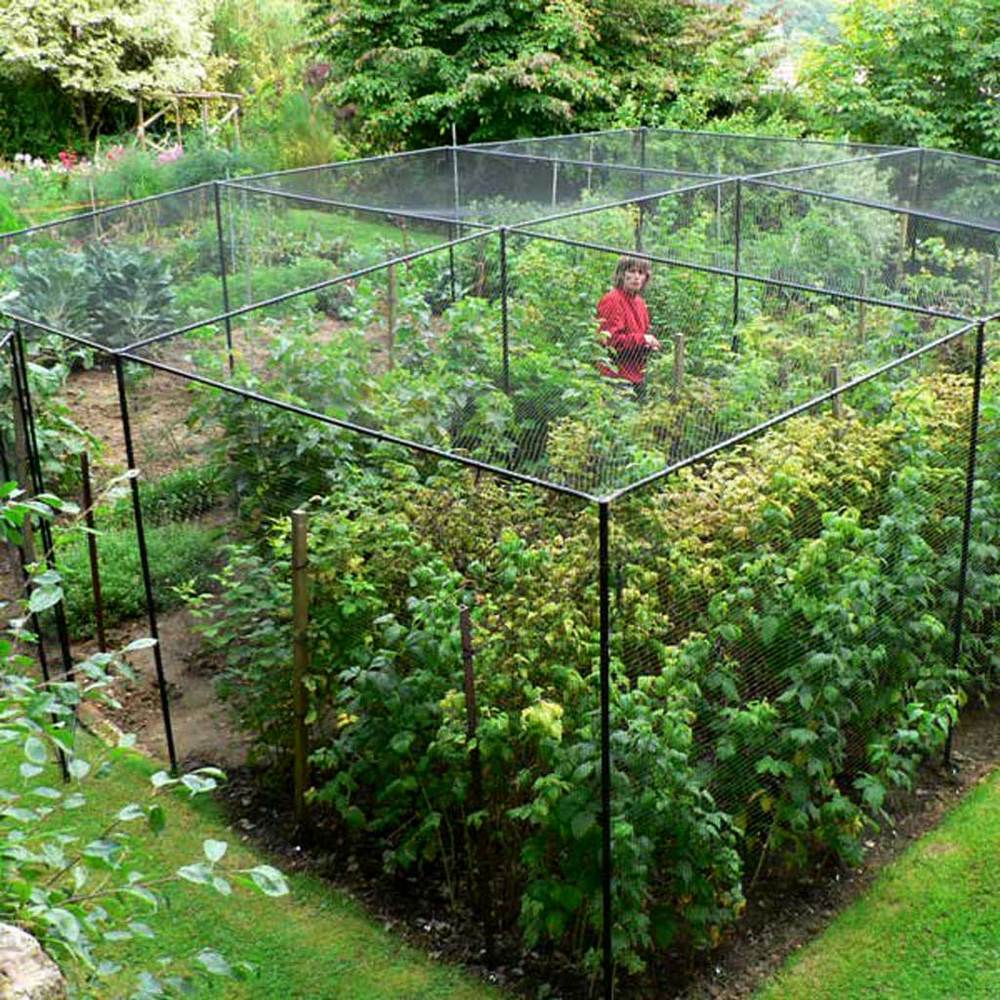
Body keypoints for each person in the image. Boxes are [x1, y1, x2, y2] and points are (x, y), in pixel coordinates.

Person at [596, 255, 660, 395]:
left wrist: (648, 345)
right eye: (632, 271)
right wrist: (643, 340)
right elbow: (609, 341)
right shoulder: (612, 300)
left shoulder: (640, 303)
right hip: (614, 378)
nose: (636, 277)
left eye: (641, 273)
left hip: (637, 376)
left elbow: (638, 338)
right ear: (621, 274)